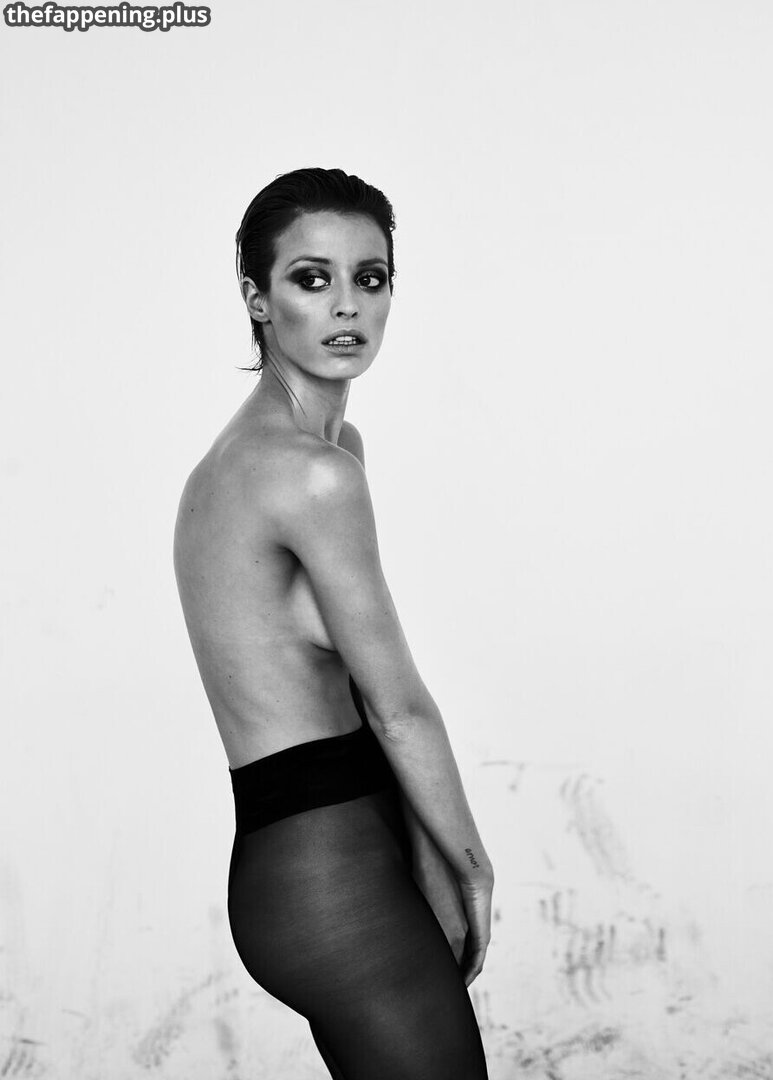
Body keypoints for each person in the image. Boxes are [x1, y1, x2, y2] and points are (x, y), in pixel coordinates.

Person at [173, 167, 493, 1079]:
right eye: (311, 279)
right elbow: (398, 708)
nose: (347, 305)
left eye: (370, 277)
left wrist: (421, 854)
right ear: (257, 299)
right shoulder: (312, 475)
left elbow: (348, 690)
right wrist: (471, 865)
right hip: (327, 873)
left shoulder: (287, 454)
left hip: (318, 853)